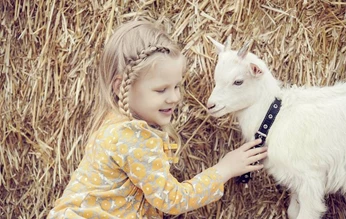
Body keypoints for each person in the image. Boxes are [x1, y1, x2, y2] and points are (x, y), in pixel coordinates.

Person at [47, 20, 267, 219]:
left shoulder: (113, 123)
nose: (175, 97)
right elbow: (172, 200)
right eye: (161, 90)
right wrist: (224, 169)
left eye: (176, 86)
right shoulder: (131, 136)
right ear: (121, 86)